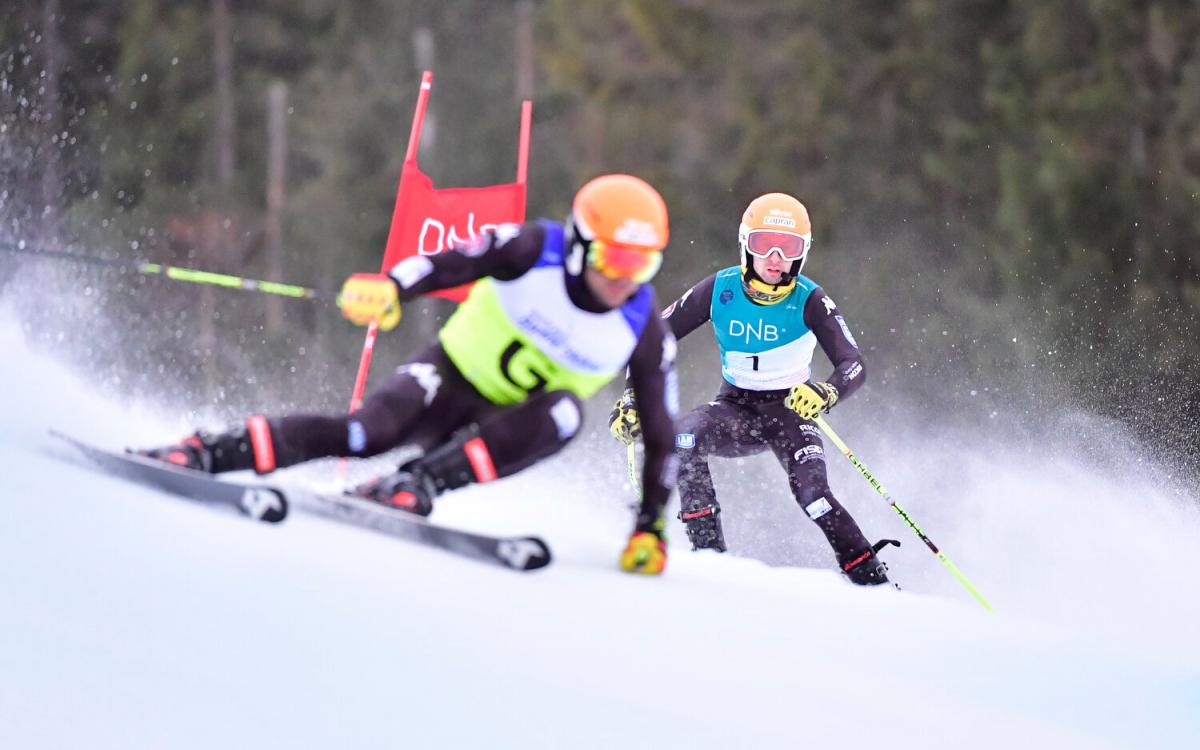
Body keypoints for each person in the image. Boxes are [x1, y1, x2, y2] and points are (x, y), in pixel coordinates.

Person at [139, 174, 680, 575]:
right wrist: (392, 288)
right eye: (614, 259)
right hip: (446, 379)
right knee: (363, 435)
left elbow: (661, 435)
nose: (624, 280)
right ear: (581, 243)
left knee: (566, 413)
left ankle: (416, 482)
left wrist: (651, 526)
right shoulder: (534, 248)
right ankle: (212, 450)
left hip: (506, 423)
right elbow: (450, 262)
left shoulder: (643, 327)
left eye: (643, 264)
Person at [609, 192, 892, 585]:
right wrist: (632, 399)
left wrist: (826, 393)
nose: (775, 258)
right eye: (763, 244)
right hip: (736, 408)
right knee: (685, 442)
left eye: (788, 247)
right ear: (746, 245)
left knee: (814, 497)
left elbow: (854, 363)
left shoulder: (810, 299)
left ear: (802, 253)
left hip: (791, 413)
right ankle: (709, 559)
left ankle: (873, 581)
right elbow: (653, 337)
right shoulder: (720, 288)